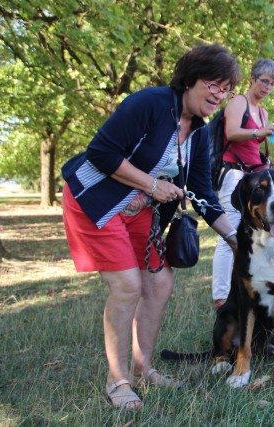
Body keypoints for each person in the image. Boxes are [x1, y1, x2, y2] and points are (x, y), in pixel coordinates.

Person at [61, 44, 242, 410]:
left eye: (227, 89)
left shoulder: (201, 133)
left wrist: (236, 240)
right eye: (213, 84)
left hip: (141, 209)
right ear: (191, 79)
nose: (219, 95)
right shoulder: (151, 103)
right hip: (96, 201)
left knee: (160, 283)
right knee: (127, 286)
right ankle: (118, 381)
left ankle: (145, 369)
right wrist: (151, 184)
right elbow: (102, 153)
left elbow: (204, 193)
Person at [211, 59, 274, 309]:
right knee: (228, 233)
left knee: (257, 233)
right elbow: (231, 133)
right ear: (252, 78)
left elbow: (255, 147)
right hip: (233, 174)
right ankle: (221, 296)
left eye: (272, 84)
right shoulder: (238, 101)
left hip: (255, 176)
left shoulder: (263, 111)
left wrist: (269, 135)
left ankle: (250, 286)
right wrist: (258, 132)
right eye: (264, 81)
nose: (267, 87)